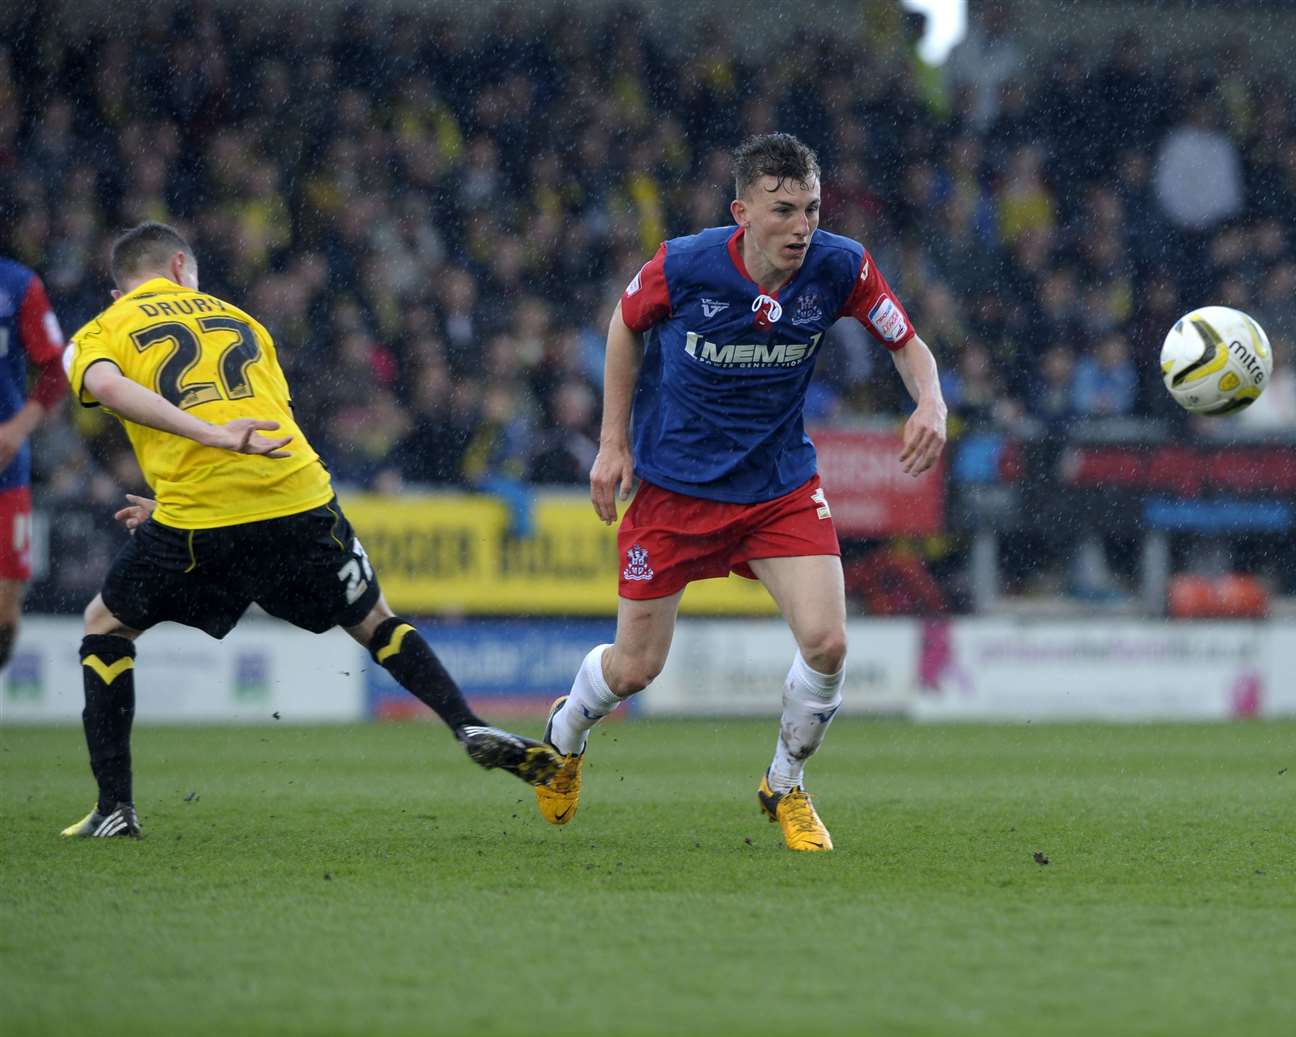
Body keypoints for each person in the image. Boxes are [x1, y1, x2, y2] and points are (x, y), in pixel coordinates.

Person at [58, 222, 559, 838]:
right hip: (299, 491)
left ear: (119, 289)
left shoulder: (101, 329)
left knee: (105, 625)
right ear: (182, 265)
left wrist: (200, 454)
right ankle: (466, 723)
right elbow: (266, 417)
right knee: (375, 619)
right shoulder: (242, 320)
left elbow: (111, 387)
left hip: (202, 516)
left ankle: (115, 808)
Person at [532, 133, 947, 851]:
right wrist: (611, 442)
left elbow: (904, 341)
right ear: (742, 211)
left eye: (812, 209)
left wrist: (931, 402)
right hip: (675, 492)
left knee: (827, 641)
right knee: (635, 669)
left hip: (776, 487)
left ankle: (784, 783)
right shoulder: (686, 265)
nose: (801, 226)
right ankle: (565, 732)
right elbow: (623, 328)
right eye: (783, 210)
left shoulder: (840, 266)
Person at [0, 256, 68, 672]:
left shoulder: (17, 285)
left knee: (6, 611)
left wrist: (17, 428)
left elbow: (56, 367)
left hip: (5, 467)